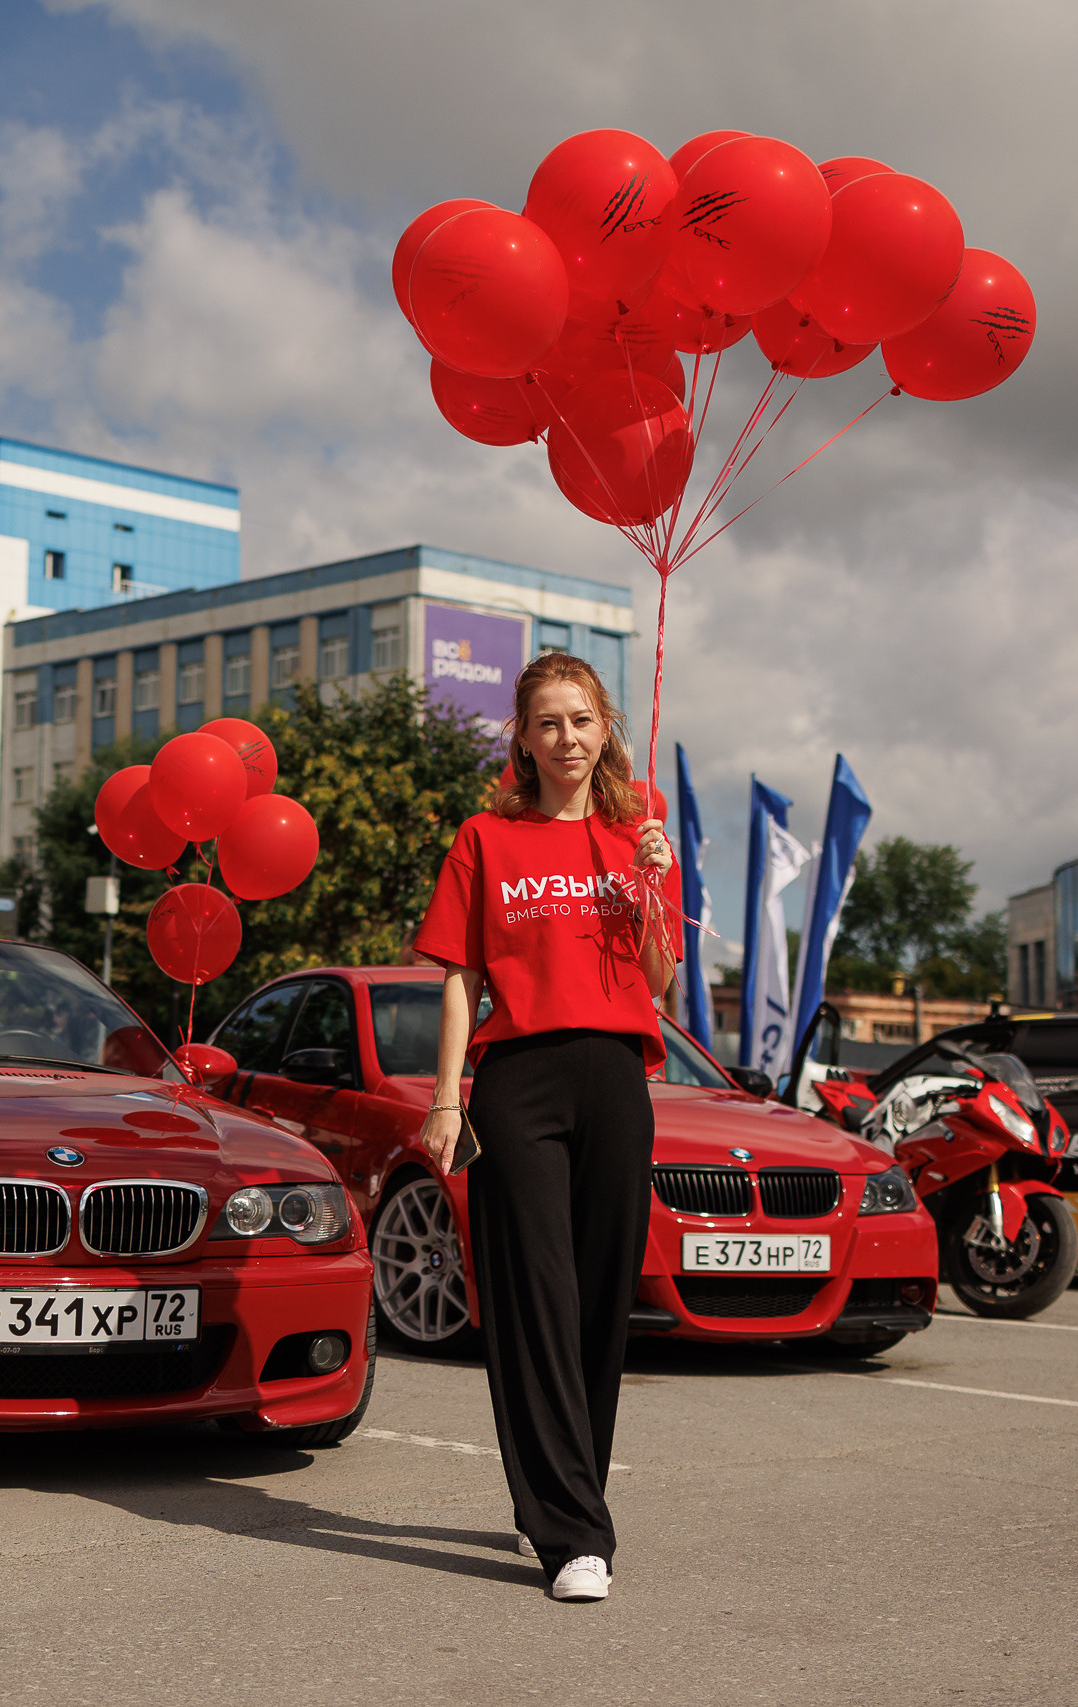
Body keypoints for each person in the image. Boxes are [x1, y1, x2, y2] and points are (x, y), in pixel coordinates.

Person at [409, 650, 676, 1604]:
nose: (567, 737)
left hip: (615, 1075)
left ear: (607, 730)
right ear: (522, 737)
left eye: (582, 719)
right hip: (517, 1078)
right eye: (548, 721)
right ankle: (572, 1531)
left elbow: (661, 977)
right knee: (538, 1301)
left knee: (603, 1300)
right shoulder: (486, 837)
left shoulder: (634, 835)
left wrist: (654, 883)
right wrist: (448, 1096)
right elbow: (459, 976)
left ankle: (568, 1499)